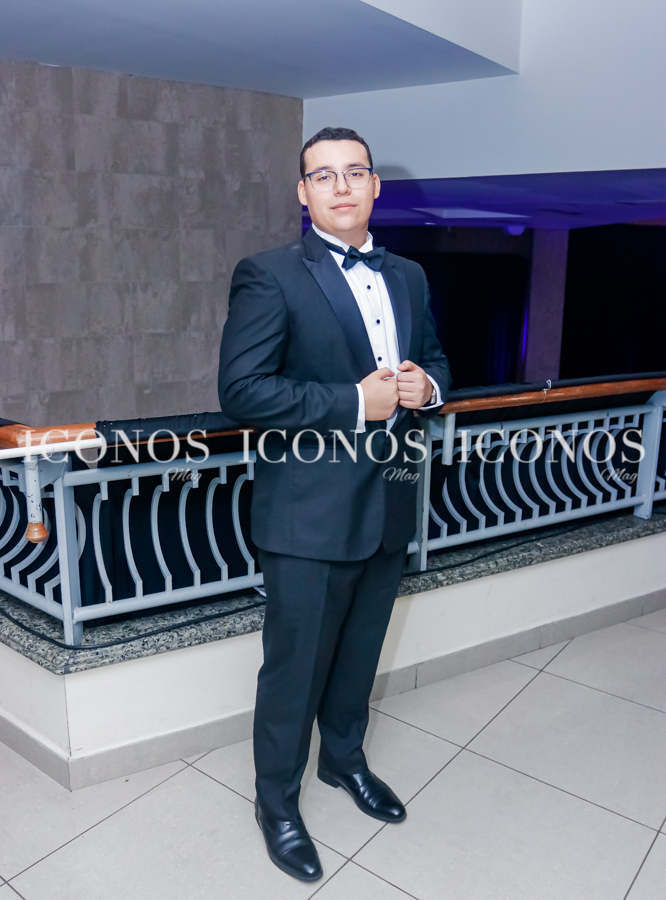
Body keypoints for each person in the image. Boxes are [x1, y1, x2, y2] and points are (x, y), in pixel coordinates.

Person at [218, 126, 452, 882]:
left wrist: (427, 387)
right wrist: (354, 402)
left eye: (355, 172)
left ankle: (342, 761)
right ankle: (276, 803)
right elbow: (243, 391)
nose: (341, 186)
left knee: (358, 656)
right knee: (294, 671)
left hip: (389, 502)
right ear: (303, 192)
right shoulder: (268, 274)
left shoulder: (410, 274)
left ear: (376, 185)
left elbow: (436, 359)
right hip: (307, 516)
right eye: (323, 175)